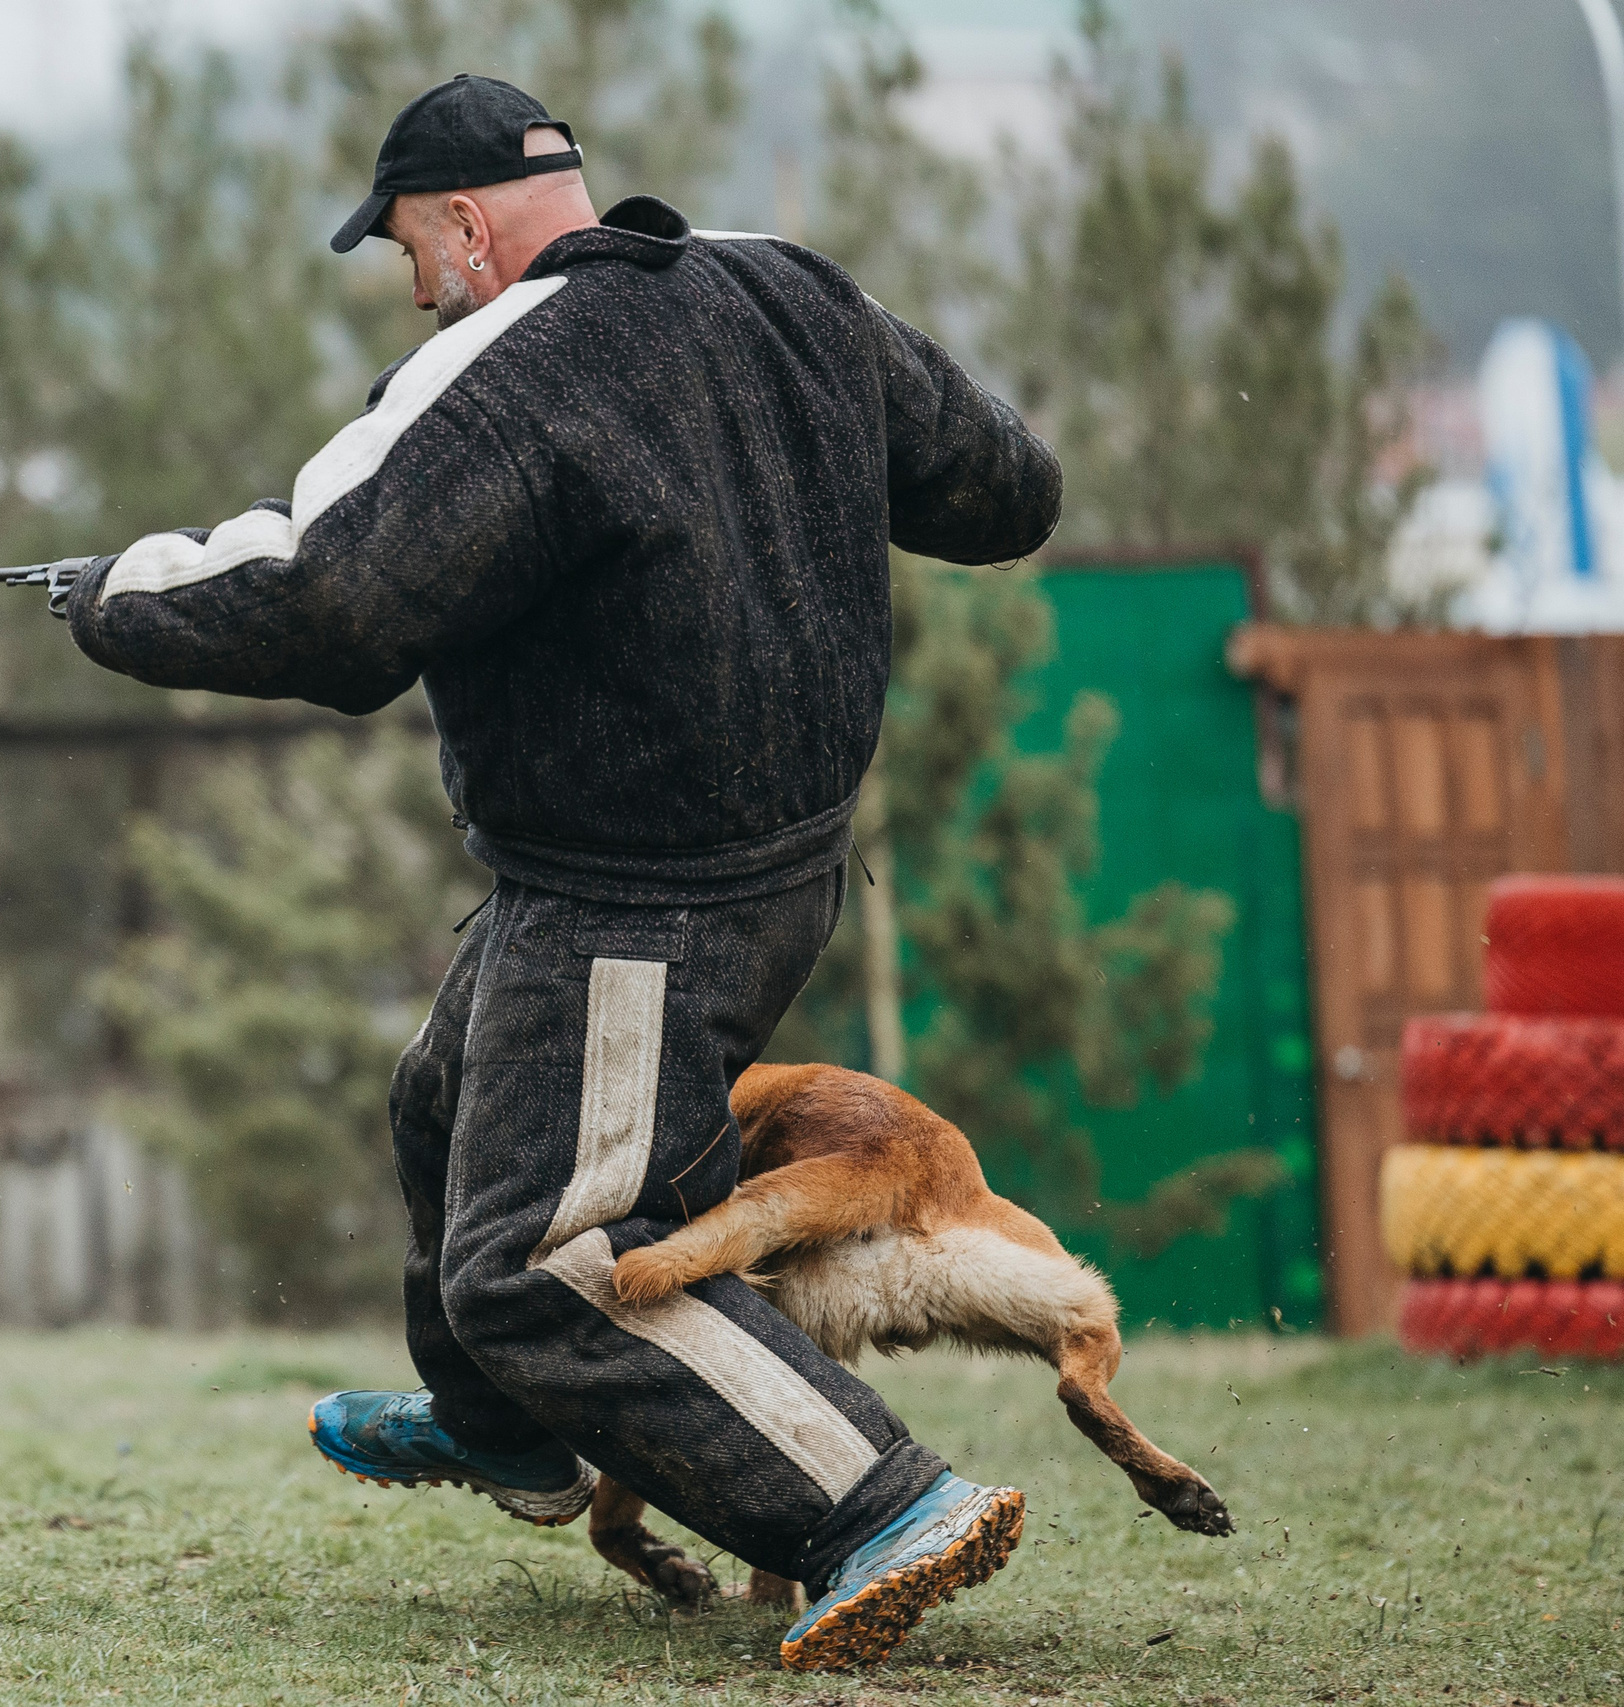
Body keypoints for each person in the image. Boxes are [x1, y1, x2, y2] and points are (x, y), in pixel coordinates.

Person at [57, 73, 1062, 1670]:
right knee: (441, 1103)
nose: (407, 283)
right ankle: (501, 1427)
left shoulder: (510, 361)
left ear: (465, 222)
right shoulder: (787, 288)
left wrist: (117, 592)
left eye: (400, 247)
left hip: (641, 905)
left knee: (542, 1265)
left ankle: (874, 1501)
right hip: (761, 864)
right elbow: (1006, 490)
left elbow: (329, 594)